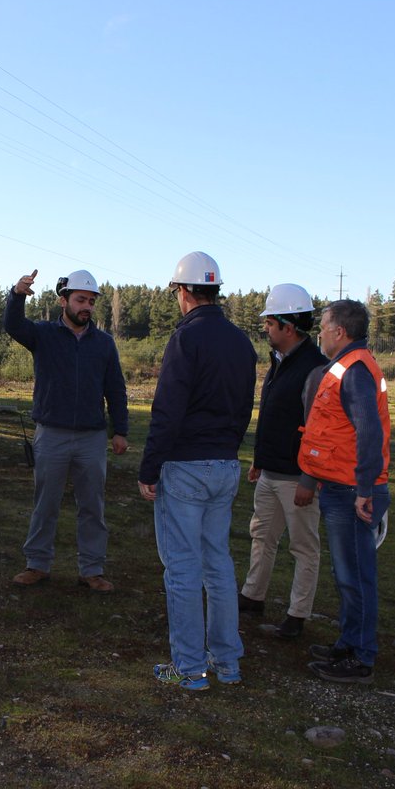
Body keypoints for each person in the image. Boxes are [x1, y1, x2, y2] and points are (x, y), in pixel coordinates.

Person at [138, 252, 257, 690]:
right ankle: (227, 663)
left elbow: (167, 409)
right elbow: (245, 405)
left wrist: (150, 467)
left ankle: (189, 669)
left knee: (183, 570)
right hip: (224, 464)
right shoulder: (241, 341)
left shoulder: (186, 339)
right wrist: (228, 447)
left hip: (185, 467)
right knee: (219, 566)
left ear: (183, 291)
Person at [5, 268, 129, 593]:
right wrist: (17, 295)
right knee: (46, 503)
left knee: (93, 506)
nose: (86, 306)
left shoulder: (104, 344)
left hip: (91, 437)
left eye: (90, 301)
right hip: (52, 434)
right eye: (80, 299)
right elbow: (13, 325)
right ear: (64, 301)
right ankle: (37, 565)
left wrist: (121, 430)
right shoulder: (43, 334)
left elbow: (115, 389)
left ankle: (92, 570)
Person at [298, 299, 391, 684]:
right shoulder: (347, 367)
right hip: (341, 484)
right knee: (346, 573)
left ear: (340, 332)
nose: (319, 332)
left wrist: (365, 488)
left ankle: (361, 657)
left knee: (355, 575)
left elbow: (369, 430)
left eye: (323, 325)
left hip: (353, 489)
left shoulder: (354, 371)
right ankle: (349, 643)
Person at [237, 284, 329, 640]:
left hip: (297, 478)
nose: (265, 329)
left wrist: (309, 478)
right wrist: (259, 460)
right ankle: (252, 595)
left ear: (288, 327)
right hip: (270, 472)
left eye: (270, 323)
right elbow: (272, 416)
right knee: (261, 535)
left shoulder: (315, 369)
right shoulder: (279, 362)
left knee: (304, 547)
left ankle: (297, 615)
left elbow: (318, 430)